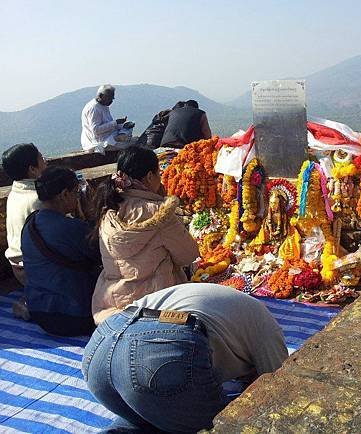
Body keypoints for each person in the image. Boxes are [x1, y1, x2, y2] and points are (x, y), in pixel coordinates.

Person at [83, 283, 288, 433]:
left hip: (101, 344)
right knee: (224, 426)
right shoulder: (267, 330)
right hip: (158, 347)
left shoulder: (234, 310)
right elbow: (280, 389)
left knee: (141, 421)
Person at [91, 145, 198, 325]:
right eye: (158, 173)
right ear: (150, 176)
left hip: (111, 306)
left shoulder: (108, 209)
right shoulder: (158, 213)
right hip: (156, 306)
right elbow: (189, 255)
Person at [21, 166, 101, 336]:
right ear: (64, 194)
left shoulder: (30, 225)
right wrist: (90, 215)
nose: (77, 197)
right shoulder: (72, 228)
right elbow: (103, 255)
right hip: (76, 316)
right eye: (76, 192)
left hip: (40, 312)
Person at [1, 143, 47, 319]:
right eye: (41, 159)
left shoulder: (15, 191)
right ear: (32, 170)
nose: (46, 161)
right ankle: (33, 306)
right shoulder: (38, 200)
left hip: (17, 266)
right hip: (32, 270)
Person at [81, 84, 135, 153]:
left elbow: (108, 124)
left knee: (128, 128)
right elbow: (96, 130)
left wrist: (122, 125)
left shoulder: (103, 106)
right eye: (109, 98)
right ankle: (120, 137)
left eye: (112, 99)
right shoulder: (94, 108)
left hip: (108, 136)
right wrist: (115, 122)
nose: (111, 101)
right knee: (135, 143)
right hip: (99, 142)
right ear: (101, 96)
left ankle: (121, 136)